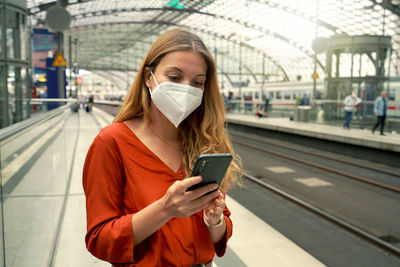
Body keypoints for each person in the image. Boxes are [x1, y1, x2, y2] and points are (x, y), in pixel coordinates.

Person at [82, 28, 242, 267]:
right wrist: (165, 209)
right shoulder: (112, 142)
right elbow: (100, 240)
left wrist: (215, 221)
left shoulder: (206, 142)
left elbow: (221, 234)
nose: (187, 88)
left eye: (197, 82)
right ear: (149, 77)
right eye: (175, 78)